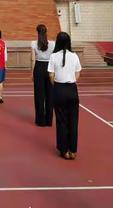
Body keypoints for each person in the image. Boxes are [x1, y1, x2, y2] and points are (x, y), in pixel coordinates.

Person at [48, 32, 81, 160]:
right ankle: (73, 150)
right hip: (72, 89)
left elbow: (51, 75)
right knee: (73, 121)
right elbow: (78, 72)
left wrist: (57, 84)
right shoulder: (74, 56)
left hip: (59, 88)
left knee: (61, 121)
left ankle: (64, 150)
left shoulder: (54, 56)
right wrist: (71, 80)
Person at [31, 24, 55, 126]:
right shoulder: (53, 44)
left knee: (39, 95)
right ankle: (49, 120)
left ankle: (40, 120)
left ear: (37, 32)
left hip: (39, 67)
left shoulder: (33, 43)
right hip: (49, 67)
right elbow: (54, 58)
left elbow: (32, 59)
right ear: (46, 32)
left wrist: (32, 73)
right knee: (50, 95)